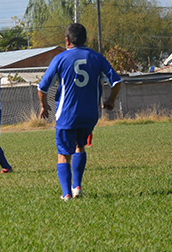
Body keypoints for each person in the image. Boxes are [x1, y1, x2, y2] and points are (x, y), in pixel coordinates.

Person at [38, 23, 121, 201]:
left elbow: (42, 88)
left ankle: (66, 194)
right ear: (85, 39)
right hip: (90, 115)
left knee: (63, 154)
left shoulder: (60, 58)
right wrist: (110, 101)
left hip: (67, 115)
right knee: (79, 146)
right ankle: (77, 187)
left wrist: (44, 105)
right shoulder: (97, 57)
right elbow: (116, 82)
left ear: (67, 40)